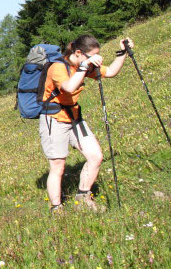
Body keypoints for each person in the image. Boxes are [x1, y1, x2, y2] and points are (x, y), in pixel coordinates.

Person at [41, 35, 133, 213]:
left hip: (74, 117)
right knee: (58, 166)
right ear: (78, 53)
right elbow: (68, 87)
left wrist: (122, 53)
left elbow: (111, 72)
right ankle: (56, 208)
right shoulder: (58, 67)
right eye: (91, 56)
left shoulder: (82, 66)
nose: (94, 59)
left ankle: (83, 197)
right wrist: (84, 67)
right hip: (53, 119)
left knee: (95, 156)